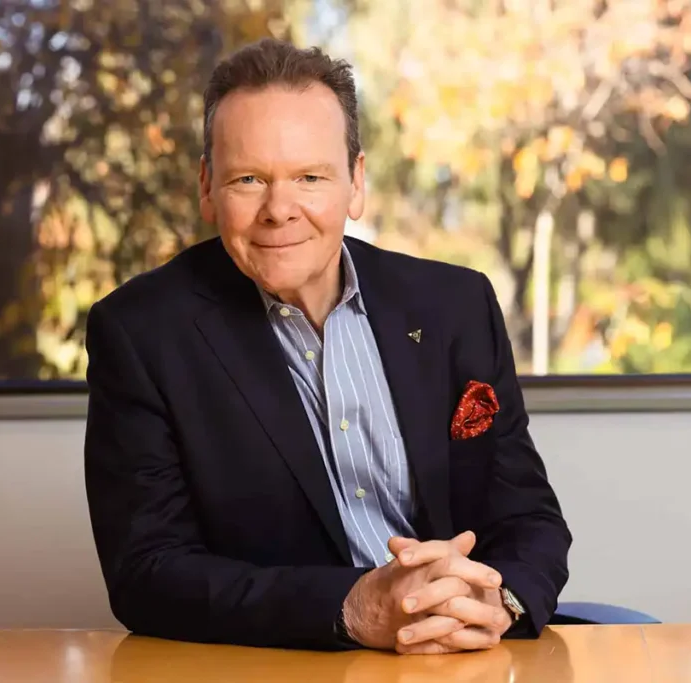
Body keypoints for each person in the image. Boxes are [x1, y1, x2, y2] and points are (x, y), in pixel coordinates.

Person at [83, 37, 571, 654]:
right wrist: (351, 609)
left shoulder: (455, 305)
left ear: (355, 183)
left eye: (309, 177)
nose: (279, 209)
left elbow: (529, 519)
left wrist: (497, 603)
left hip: (467, 653)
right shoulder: (140, 332)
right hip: (285, 664)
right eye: (248, 179)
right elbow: (146, 574)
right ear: (207, 187)